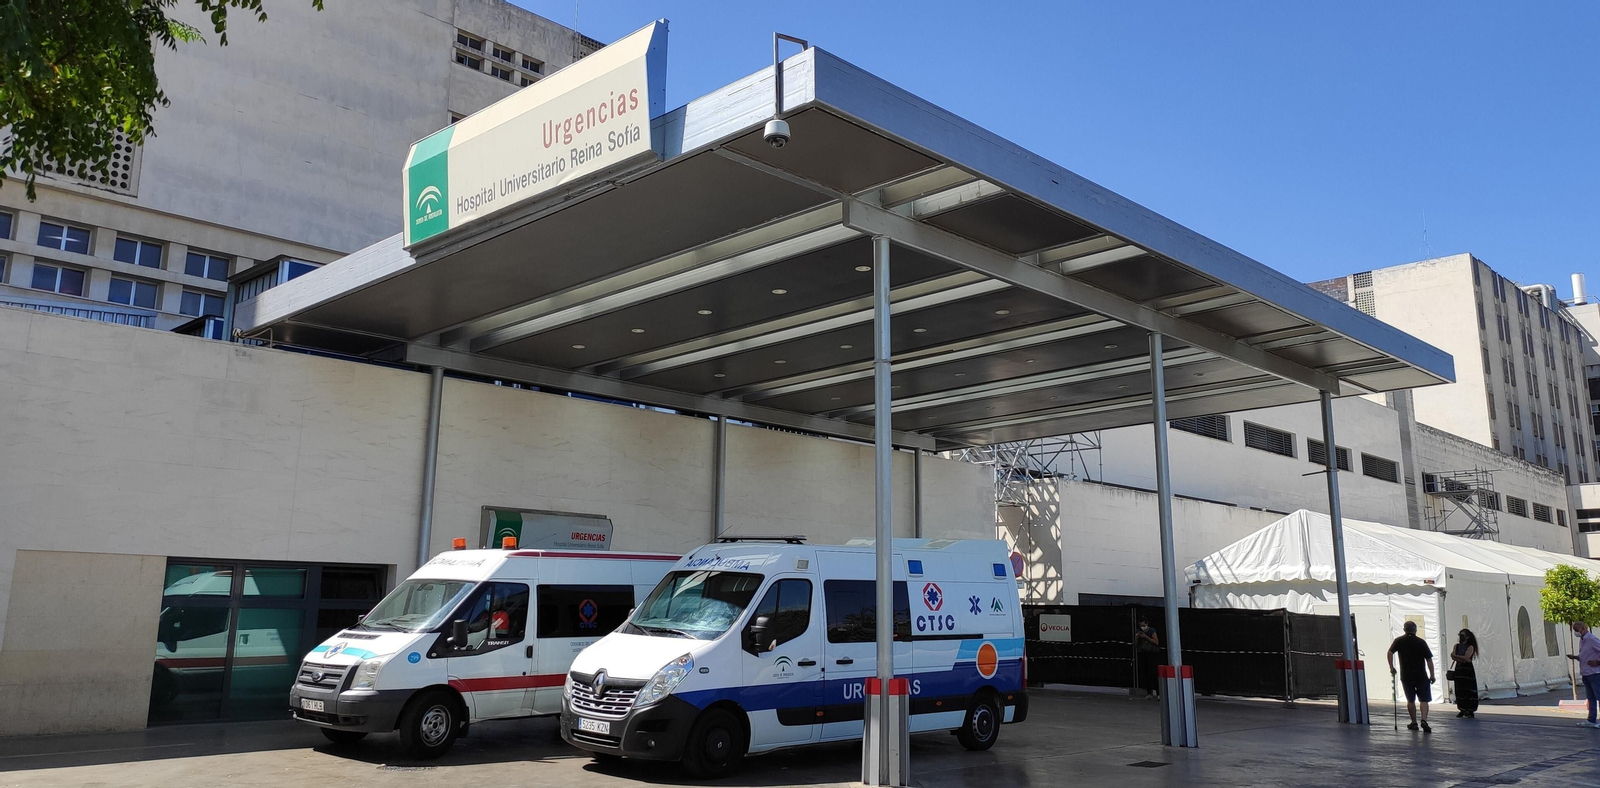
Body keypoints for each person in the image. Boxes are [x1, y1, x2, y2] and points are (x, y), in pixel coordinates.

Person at [1387, 620, 1436, 732]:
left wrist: (1391, 667)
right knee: (1424, 699)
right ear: (1415, 630)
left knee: (1410, 700)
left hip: (1406, 675)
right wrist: (1432, 675)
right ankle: (1424, 720)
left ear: (1404, 629)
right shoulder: (1421, 642)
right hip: (1421, 676)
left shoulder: (1399, 641)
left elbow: (1390, 652)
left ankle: (1414, 722)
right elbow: (1429, 660)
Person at [1567, 621, 1600, 728]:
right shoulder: (1583, 640)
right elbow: (1585, 655)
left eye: (1576, 630)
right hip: (1586, 673)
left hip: (1594, 673)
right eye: (1574, 631)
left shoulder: (1591, 639)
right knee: (1591, 697)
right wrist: (1576, 657)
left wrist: (1598, 662)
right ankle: (1591, 719)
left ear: (1583, 629)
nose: (1576, 633)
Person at [1449, 629, 1479, 718]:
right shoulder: (1457, 646)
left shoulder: (1470, 646)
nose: (1460, 637)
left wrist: (1456, 657)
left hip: (1467, 670)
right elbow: (1461, 658)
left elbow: (1465, 657)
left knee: (1468, 689)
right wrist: (1460, 658)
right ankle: (1462, 709)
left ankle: (1469, 710)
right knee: (1459, 689)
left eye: (1462, 635)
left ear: (1467, 637)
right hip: (1459, 669)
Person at [1134, 617, 1160, 700]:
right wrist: (1137, 637)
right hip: (1142, 653)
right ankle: (1149, 692)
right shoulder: (1138, 631)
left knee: (1153, 673)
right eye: (1141, 625)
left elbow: (1156, 642)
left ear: (1147, 624)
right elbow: (1135, 645)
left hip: (1151, 654)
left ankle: (1158, 692)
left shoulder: (1151, 630)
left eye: (1144, 625)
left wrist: (1145, 636)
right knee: (1145, 673)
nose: (1142, 627)